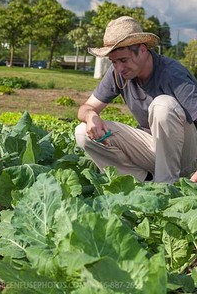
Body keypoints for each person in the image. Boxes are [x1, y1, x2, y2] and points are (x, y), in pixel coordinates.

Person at [75, 16, 197, 184]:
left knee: (163, 105)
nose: (119, 68)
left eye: (124, 60)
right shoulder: (118, 73)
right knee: (83, 133)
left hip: (188, 156)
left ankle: (166, 186)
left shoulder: (172, 74)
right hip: (156, 151)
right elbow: (86, 107)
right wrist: (90, 116)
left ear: (142, 50)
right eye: (114, 61)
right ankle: (144, 181)